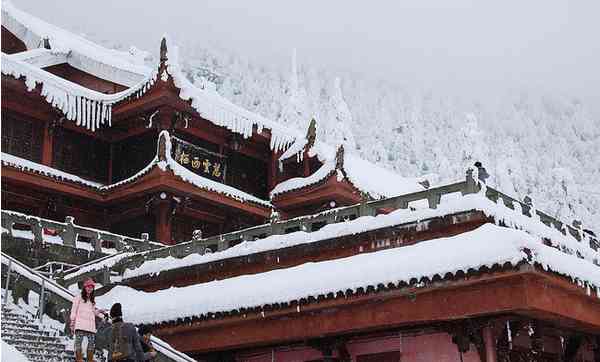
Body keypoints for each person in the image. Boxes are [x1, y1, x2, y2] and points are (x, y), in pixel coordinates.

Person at [70, 278, 106, 362]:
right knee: (79, 342)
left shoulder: (92, 300)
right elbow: (73, 310)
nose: (90, 289)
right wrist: (72, 321)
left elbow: (93, 312)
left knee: (91, 343)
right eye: (88, 287)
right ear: (85, 287)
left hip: (90, 325)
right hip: (80, 324)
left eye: (92, 287)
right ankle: (79, 358)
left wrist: (100, 311)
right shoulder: (78, 297)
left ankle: (90, 359)